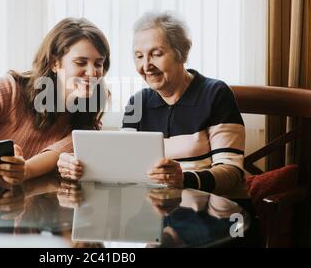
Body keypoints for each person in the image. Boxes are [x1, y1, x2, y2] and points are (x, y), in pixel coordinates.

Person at [58, 12, 246, 196]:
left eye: (156, 54)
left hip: (208, 212)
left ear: (182, 53)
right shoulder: (137, 102)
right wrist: (77, 165)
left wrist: (184, 179)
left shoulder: (215, 94)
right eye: (139, 56)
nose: (146, 65)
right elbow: (122, 164)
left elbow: (232, 172)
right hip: (154, 214)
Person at [0, 18, 110, 187]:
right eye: (81, 62)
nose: (92, 73)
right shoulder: (9, 89)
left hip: (22, 201)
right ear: (55, 63)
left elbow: (44, 161)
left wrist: (23, 171)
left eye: (98, 64)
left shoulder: (88, 114)